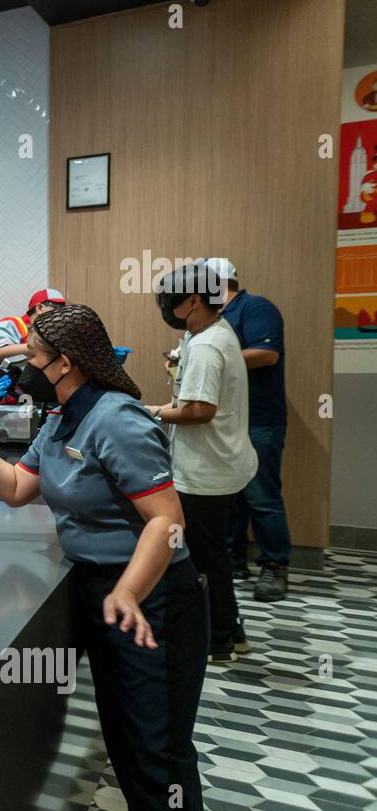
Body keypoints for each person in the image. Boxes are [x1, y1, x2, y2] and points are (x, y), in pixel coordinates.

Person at [0, 303, 206, 811]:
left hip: (150, 600)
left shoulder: (117, 419)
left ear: (64, 364)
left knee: (156, 755)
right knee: (128, 745)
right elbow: (16, 489)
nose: (21, 368)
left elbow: (167, 522)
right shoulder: (63, 420)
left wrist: (129, 592)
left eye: (31, 357)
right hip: (101, 593)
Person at [148, 262, 257, 664]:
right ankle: (232, 630)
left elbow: (199, 411)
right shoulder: (207, 334)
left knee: (205, 558)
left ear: (193, 301)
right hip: (216, 462)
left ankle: (220, 639)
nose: (162, 306)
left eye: (167, 300)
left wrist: (153, 412)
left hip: (205, 471)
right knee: (212, 554)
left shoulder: (209, 345)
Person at [205, 258, 291, 602]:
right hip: (227, 419)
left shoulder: (256, 308)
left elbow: (267, 354)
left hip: (259, 418)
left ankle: (274, 565)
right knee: (231, 493)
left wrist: (211, 357)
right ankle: (233, 556)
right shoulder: (214, 318)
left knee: (262, 496)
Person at [0, 288, 66, 399]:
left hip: (4, 401)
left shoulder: (40, 334)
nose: (60, 315)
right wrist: (40, 348)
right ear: (39, 308)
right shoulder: (13, 324)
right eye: (58, 309)